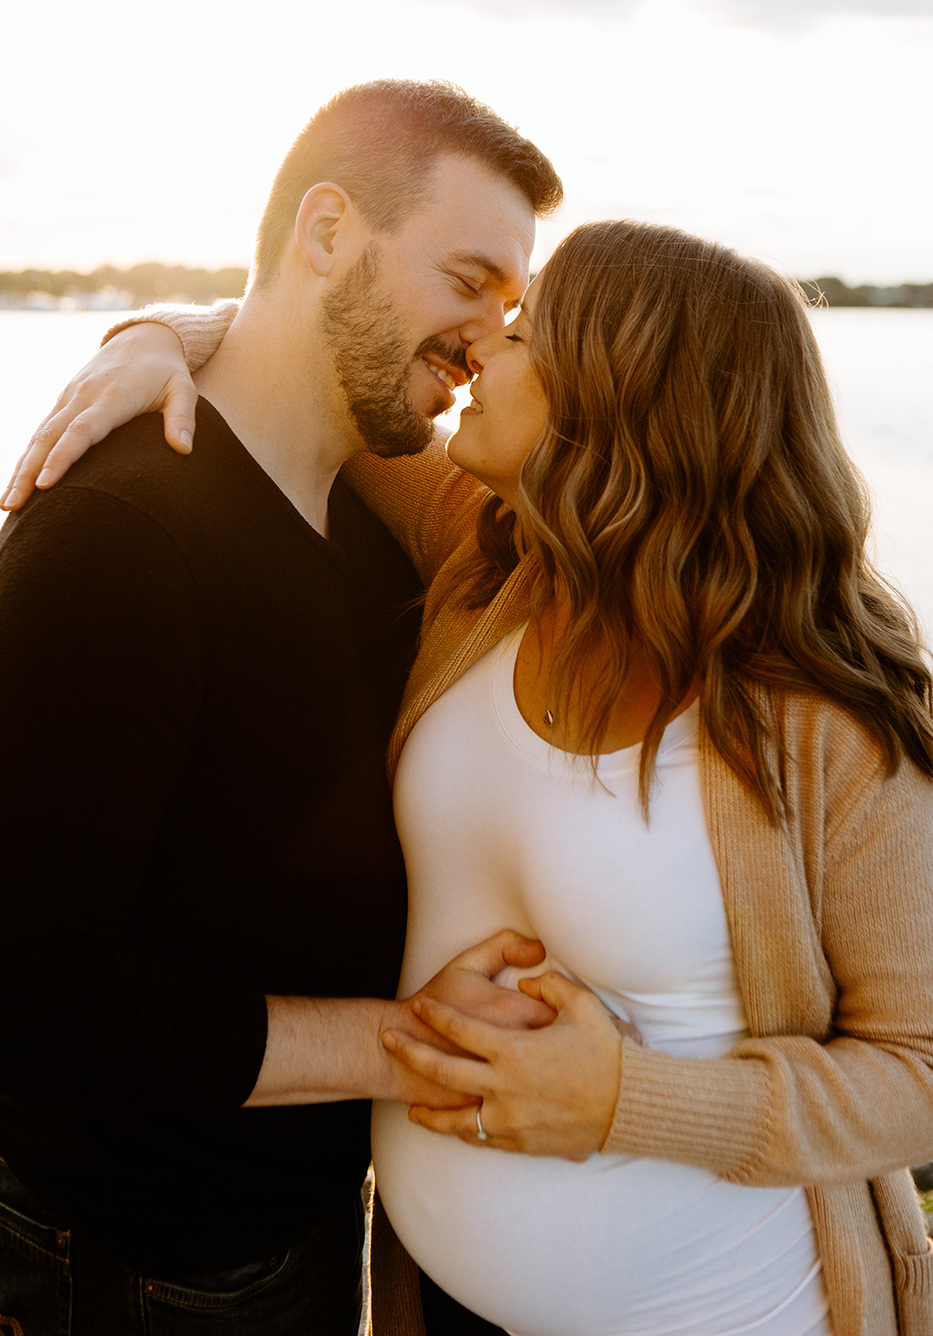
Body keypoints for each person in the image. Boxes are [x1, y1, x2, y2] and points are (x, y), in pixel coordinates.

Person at [15, 217, 933, 1336]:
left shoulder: (825, 714)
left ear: (616, 397)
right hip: (437, 1301)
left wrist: (623, 1101)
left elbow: (919, 1070)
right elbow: (304, 366)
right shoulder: (486, 556)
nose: (481, 350)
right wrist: (161, 332)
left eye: (526, 332)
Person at [0, 79, 565, 1336]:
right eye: (468, 278)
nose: (486, 338)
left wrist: (165, 328)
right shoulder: (114, 539)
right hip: (128, 1264)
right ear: (325, 230)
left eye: (509, 310)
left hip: (303, 1238)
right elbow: (25, 994)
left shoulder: (384, 528)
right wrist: (410, 1044)